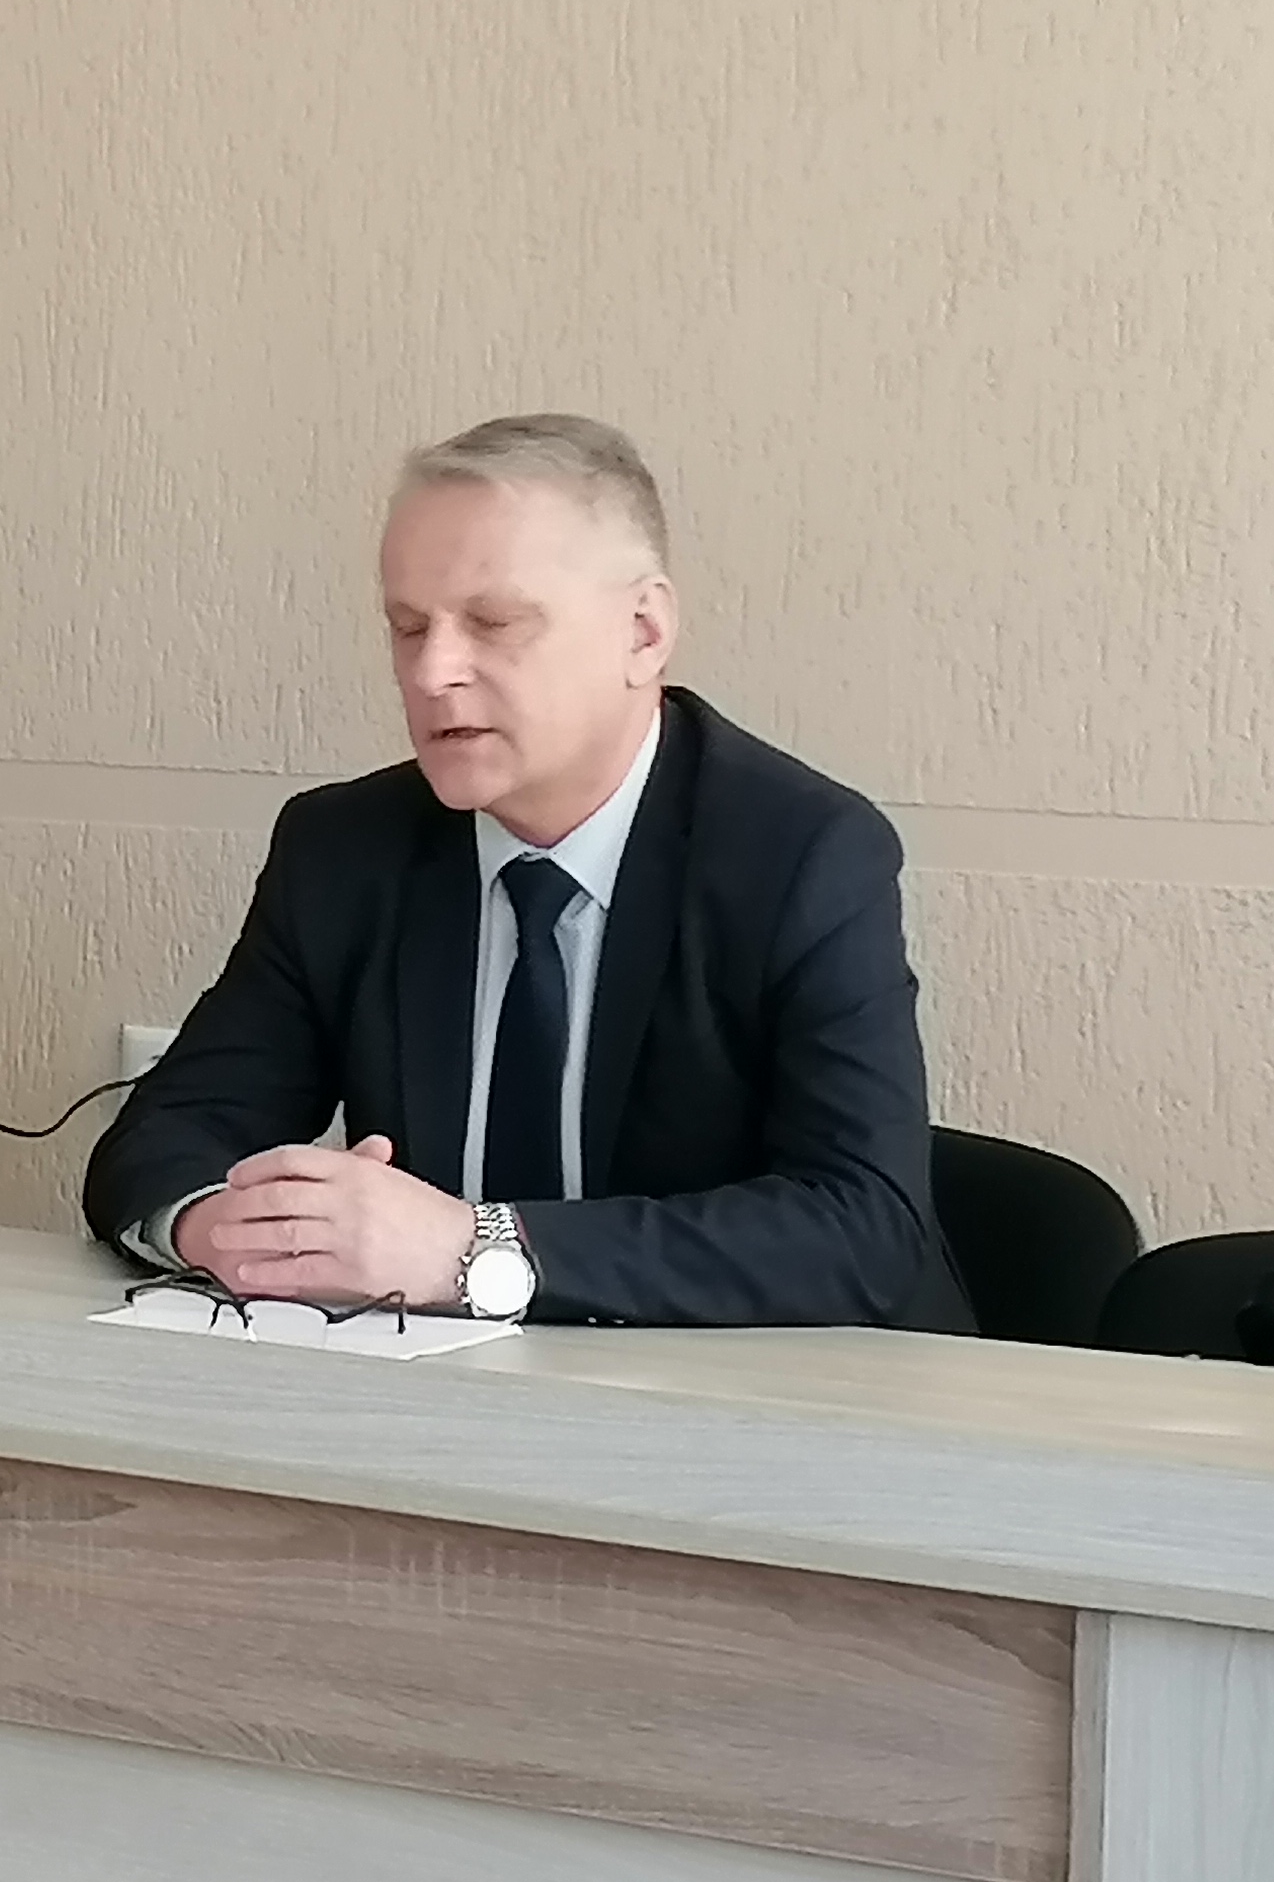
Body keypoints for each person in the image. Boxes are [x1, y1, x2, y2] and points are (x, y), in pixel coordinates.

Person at [83, 414, 967, 1329]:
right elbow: (166, 1138)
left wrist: (473, 1251)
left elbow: (863, 1225)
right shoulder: (344, 849)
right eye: (407, 627)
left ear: (643, 632)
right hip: (438, 1393)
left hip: (770, 1397)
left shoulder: (800, 854)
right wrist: (218, 1227)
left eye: (494, 623)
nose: (432, 672)